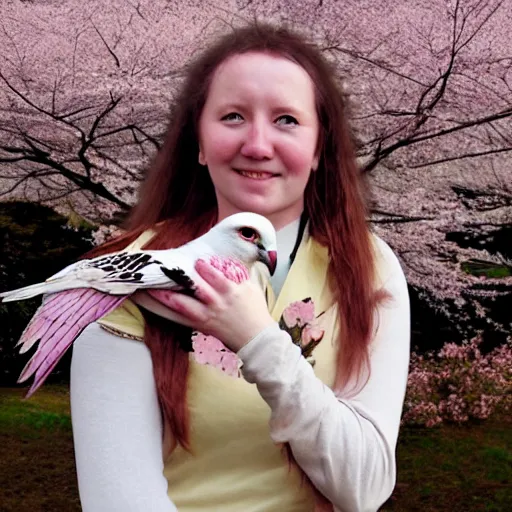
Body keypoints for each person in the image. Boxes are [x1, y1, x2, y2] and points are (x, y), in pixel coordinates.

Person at [70, 22, 410, 512]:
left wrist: (258, 337)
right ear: (200, 143)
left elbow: (365, 487)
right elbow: (120, 500)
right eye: (232, 116)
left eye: (287, 120)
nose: (257, 144)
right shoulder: (123, 274)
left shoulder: (368, 266)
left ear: (319, 150)